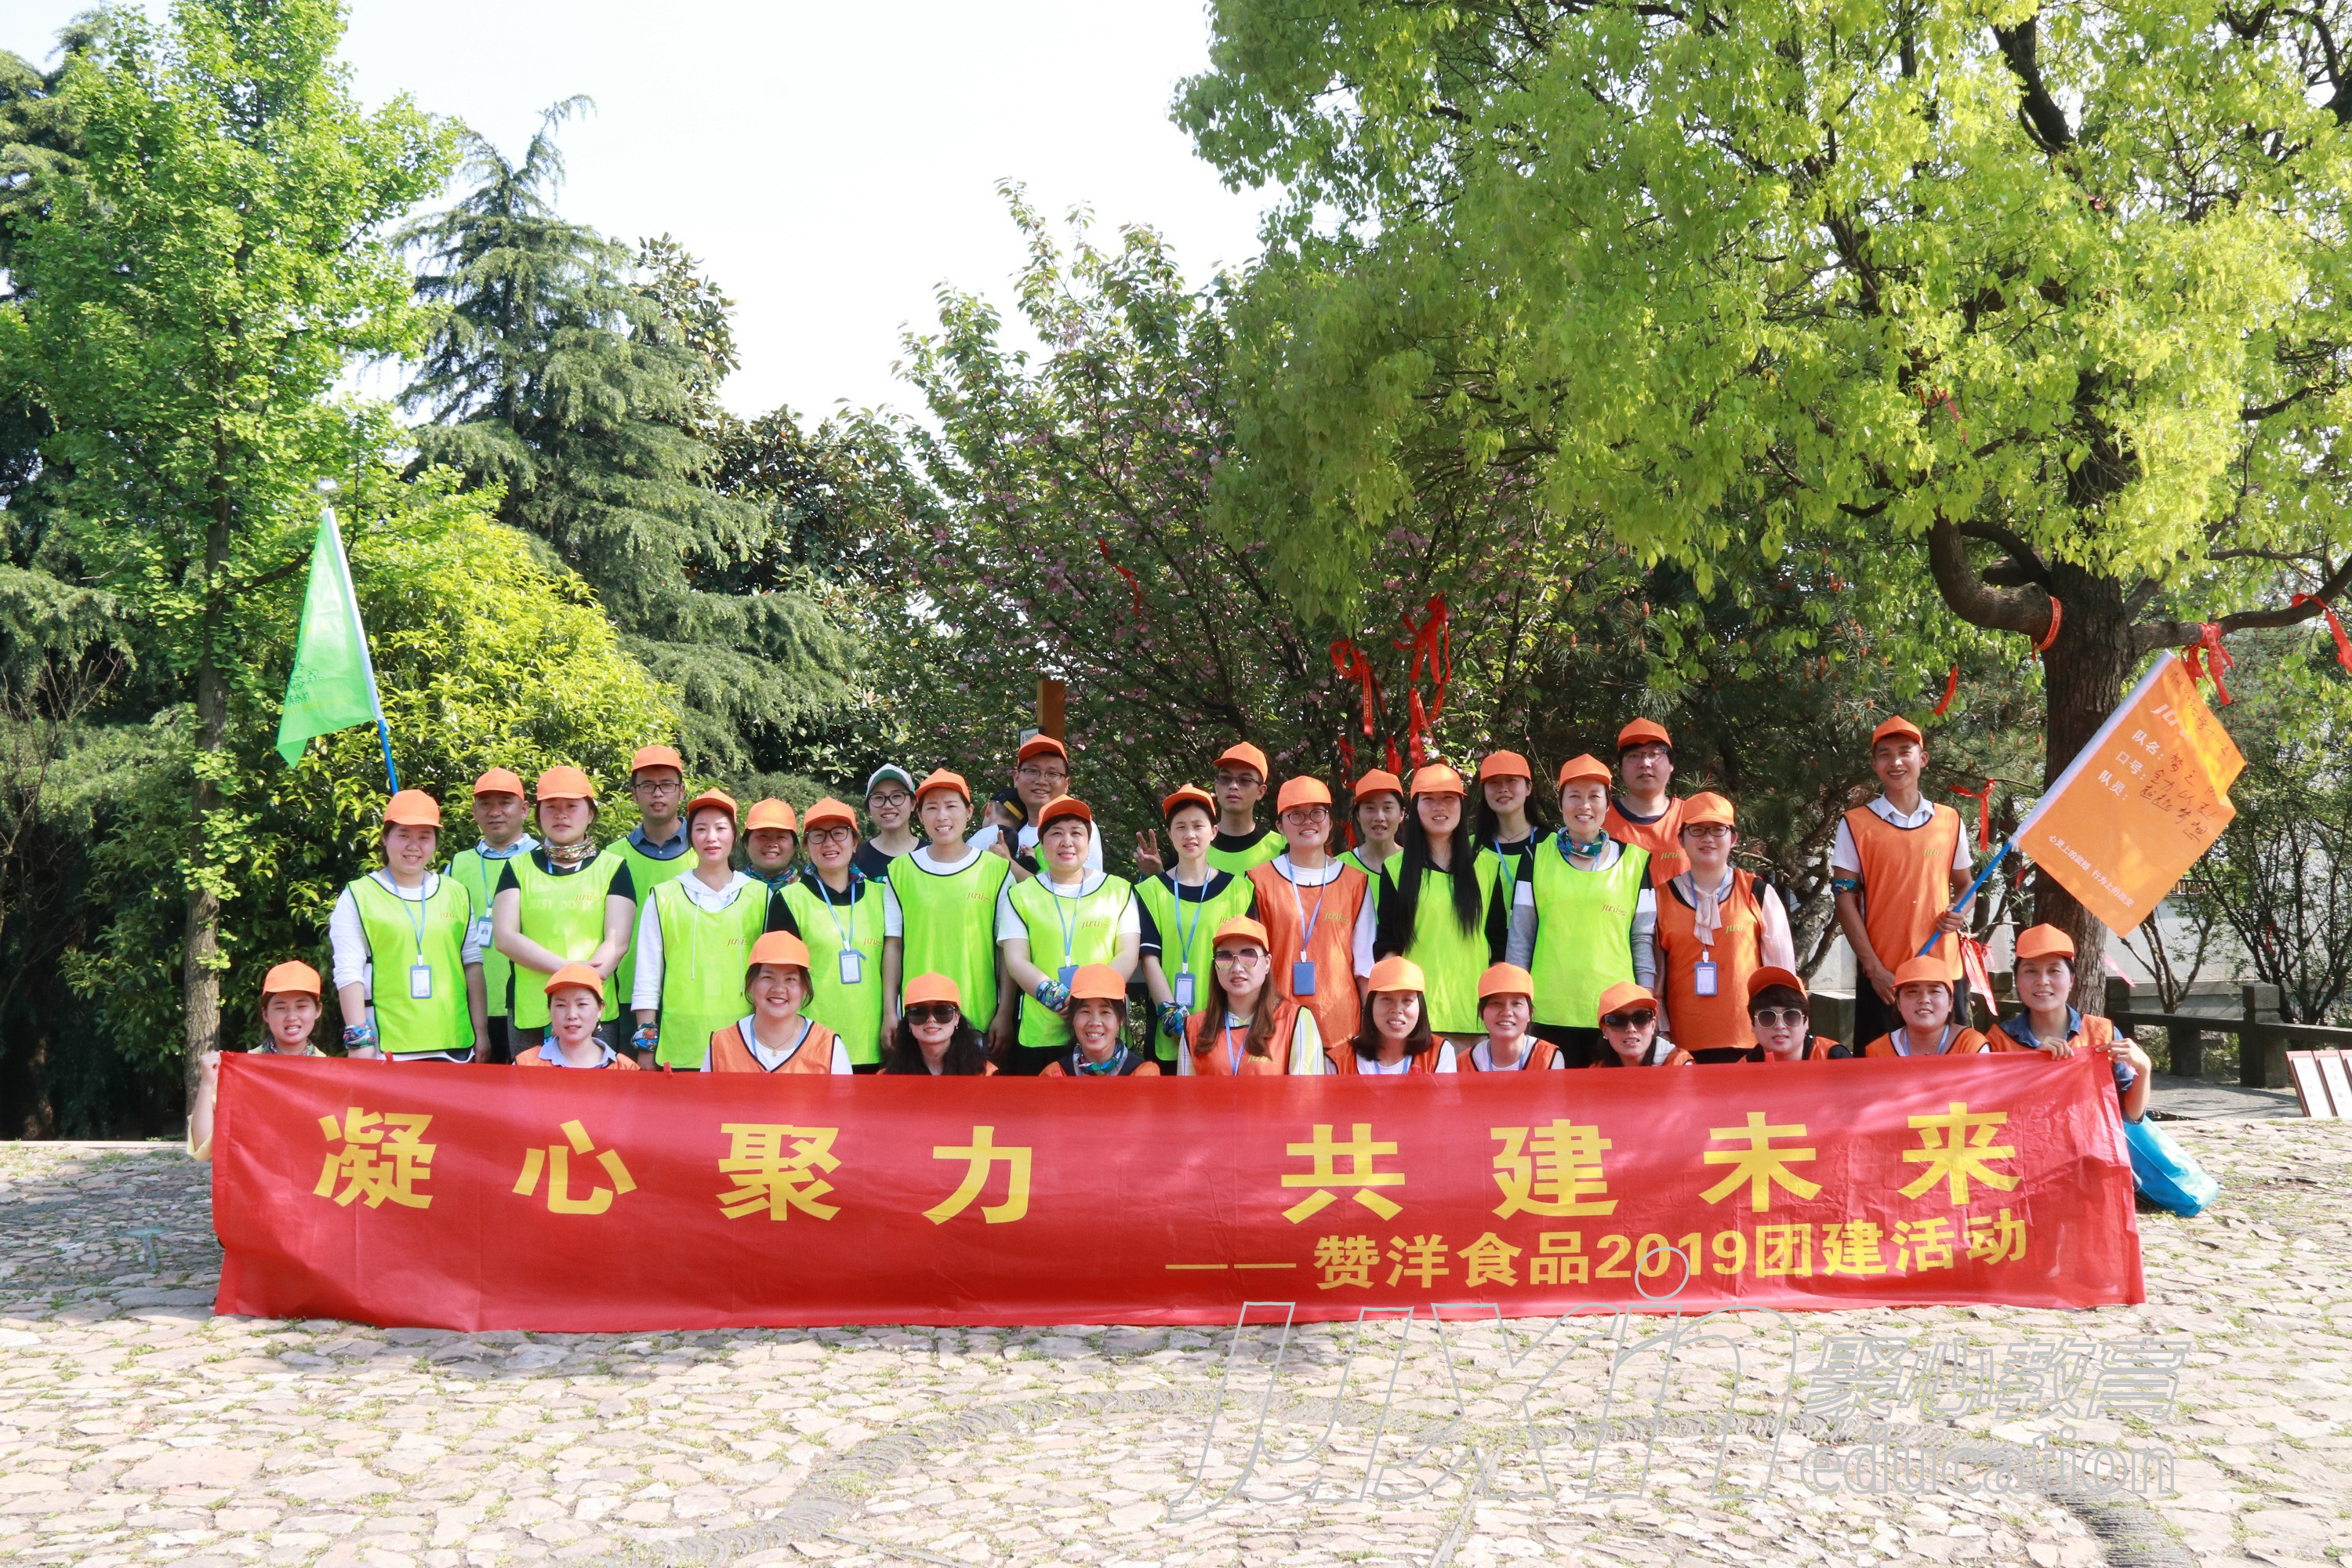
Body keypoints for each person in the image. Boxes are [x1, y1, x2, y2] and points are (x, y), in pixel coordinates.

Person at [1832, 714, 1975, 1057]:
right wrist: (1873, 968)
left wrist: (1960, 911)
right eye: (1885, 755)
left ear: (1922, 759)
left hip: (1942, 971)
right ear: (1875, 765)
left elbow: (1966, 885)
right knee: (1880, 1073)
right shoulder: (1855, 824)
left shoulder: (1950, 820)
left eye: (1904, 752)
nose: (1895, 762)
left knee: (1952, 1071)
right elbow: (1844, 898)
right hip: (1886, 976)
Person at [1511, 753, 1657, 1068]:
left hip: (1618, 1014)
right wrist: (1515, 999)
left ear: (1608, 804)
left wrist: (1645, 1004)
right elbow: (1521, 936)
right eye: (1574, 796)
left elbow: (1642, 939)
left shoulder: (1636, 861)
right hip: (1549, 1011)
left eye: (1594, 796)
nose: (1584, 805)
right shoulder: (1535, 858)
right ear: (1560, 802)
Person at [330, 789, 488, 1063]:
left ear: (435, 842)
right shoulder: (358, 895)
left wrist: (481, 1032)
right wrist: (359, 1040)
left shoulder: (457, 893)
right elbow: (348, 972)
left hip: (454, 1046)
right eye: (403, 835)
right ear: (385, 838)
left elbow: (472, 965)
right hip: (387, 1048)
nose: (413, 846)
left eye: (424, 837)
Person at [492, 766, 636, 1058]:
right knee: (530, 1086)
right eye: (551, 807)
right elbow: (506, 937)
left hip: (592, 1009)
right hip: (531, 1011)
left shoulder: (613, 867)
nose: (561, 815)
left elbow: (617, 942)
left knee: (594, 1086)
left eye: (571, 806)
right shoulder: (517, 868)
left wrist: (578, 984)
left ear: (590, 813)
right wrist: (567, 971)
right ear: (538, 815)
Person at [996, 795, 1140, 1075]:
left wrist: (1087, 1001)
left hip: (1103, 1031)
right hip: (1042, 1034)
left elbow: (1127, 953)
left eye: (1076, 833)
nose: (1067, 841)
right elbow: (1016, 961)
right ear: (1041, 843)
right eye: (1056, 833)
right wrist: (1058, 998)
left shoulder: (1119, 890)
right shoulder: (1021, 895)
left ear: (1088, 841)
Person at [632, 789, 771, 1069]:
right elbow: (647, 976)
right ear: (690, 838)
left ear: (734, 835)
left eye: (720, 828)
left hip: (747, 1043)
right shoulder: (663, 896)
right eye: (701, 829)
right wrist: (647, 1045)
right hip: (680, 1045)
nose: (711, 837)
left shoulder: (761, 896)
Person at [1651, 793, 1795, 1061]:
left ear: (1734, 838)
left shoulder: (1758, 893)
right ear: (1681, 839)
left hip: (1750, 1041)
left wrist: (1782, 1034)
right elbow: (1654, 977)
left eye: (1718, 829)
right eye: (1697, 830)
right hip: (1682, 1046)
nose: (1708, 838)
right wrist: (1662, 1032)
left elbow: (1782, 975)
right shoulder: (1660, 898)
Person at [1372, 764, 1506, 1047]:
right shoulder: (1395, 869)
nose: (1439, 807)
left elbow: (1498, 948)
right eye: (1429, 799)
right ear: (1415, 807)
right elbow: (1387, 946)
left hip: (1473, 1017)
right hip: (1414, 1020)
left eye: (1448, 798)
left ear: (1461, 805)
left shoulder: (1487, 866)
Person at [882, 769, 1014, 1048]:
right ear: (920, 816)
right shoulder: (900, 871)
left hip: (978, 1017)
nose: (942, 816)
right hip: (918, 1017)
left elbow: (1006, 949)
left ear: (969, 812)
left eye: (951, 806)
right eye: (932, 808)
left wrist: (1004, 1013)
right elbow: (893, 945)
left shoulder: (996, 870)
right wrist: (889, 1013)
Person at [1249, 776, 1374, 1056]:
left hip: (1340, 1025)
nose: (1308, 822)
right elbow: (1251, 960)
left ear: (1330, 822)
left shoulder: (1355, 882)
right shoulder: (1259, 881)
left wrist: (1372, 1025)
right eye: (1296, 815)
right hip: (1276, 1021)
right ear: (1280, 826)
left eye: (1317, 813)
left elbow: (1365, 964)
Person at [1136, 785, 1259, 1067]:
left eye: (1198, 826)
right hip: (1170, 1031)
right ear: (1170, 834)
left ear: (1213, 832)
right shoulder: (1151, 891)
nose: (1189, 835)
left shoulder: (1240, 890)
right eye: (1180, 827)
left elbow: (1247, 959)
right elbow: (1149, 957)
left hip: (1227, 1025)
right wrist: (1169, 1011)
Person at [1988, 924, 2153, 1121]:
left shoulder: (2103, 1034)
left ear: (2072, 980)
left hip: (2089, 1141)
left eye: (2054, 970)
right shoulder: (1998, 1042)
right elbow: (1988, 1110)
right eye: (2030, 971)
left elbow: (2130, 1114)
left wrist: (2144, 1069)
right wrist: (2033, 1066)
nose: (2042, 981)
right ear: (2017, 980)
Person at [773, 797, 888, 1073]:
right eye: (818, 835)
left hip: (873, 1042)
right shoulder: (789, 900)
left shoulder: (882, 896)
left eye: (839, 833)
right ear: (806, 846)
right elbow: (778, 979)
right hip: (809, 1044)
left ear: (855, 841)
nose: (829, 843)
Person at [189, 960, 325, 1160]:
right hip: (253, 1180)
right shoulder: (242, 1071)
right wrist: (207, 1083)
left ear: (317, 1011)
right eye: (280, 1007)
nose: (291, 1016)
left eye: (301, 1006)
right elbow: (203, 1148)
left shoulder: (332, 1074)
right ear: (265, 1014)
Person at [447, 767, 536, 1063]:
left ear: (524, 809)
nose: (495, 812)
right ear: (474, 812)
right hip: (473, 1010)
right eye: (485, 804)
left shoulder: (544, 859)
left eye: (505, 803)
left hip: (533, 1007)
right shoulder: (457, 866)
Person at [1181, 917, 1327, 1076]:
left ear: (1267, 963)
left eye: (1248, 956)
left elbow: (1305, 1090)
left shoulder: (1296, 1020)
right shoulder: (1193, 1028)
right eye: (1225, 957)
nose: (1237, 968)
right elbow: (1185, 1091)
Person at [612, 744, 695, 1016]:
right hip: (625, 993)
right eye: (647, 785)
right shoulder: (612, 858)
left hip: (690, 995)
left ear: (681, 791)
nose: (658, 793)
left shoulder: (706, 853)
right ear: (634, 794)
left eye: (667, 785)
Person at [704, 930, 855, 1073]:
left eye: (790, 979)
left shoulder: (829, 1048)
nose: (779, 988)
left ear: (804, 988)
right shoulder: (721, 1045)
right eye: (768, 977)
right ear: (750, 984)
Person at [970, 734, 1102, 873]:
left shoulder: (1078, 830)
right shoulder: (1014, 835)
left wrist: (1009, 864)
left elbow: (1085, 885)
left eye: (1052, 774)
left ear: (1066, 784)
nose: (1041, 781)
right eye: (1032, 771)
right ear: (1016, 778)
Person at [1334, 954, 1454, 1074]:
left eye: (1407, 1000)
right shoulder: (1338, 1061)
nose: (1397, 1009)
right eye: (1387, 999)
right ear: (1371, 1005)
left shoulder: (1440, 1054)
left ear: (1421, 1007)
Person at [1605, 718, 1688, 885]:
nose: (1645, 763)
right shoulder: (1600, 819)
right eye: (1634, 756)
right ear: (1620, 768)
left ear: (1671, 764)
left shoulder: (1692, 817)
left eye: (1654, 754)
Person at [1040, 964, 1161, 1076]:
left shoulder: (1143, 1075)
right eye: (1085, 1011)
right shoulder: (1055, 1075)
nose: (1095, 1022)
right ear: (1072, 1017)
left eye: (1105, 1012)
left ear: (1121, 1018)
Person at [517, 964, 642, 1069]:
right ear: (550, 1009)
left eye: (582, 1004)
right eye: (561, 1005)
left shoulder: (625, 1069)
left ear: (600, 1009)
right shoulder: (526, 1065)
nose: (572, 1015)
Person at [1860, 956, 1991, 1057]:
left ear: (1950, 1003)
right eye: (1913, 992)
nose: (1924, 999)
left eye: (1934, 991)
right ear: (1898, 1003)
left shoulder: (1971, 1046)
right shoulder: (1878, 1051)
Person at [877, 973, 997, 1075]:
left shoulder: (986, 1074)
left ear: (957, 1018)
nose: (931, 1019)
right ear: (908, 1021)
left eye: (942, 1011)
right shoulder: (888, 1078)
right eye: (919, 1012)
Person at [1472, 750, 1549, 908]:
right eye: (1493, 782)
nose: (1503, 788)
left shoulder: (1554, 845)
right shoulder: (1470, 848)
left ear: (1528, 788)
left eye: (1511, 780)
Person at [1461, 963, 1564, 1071]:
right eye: (1496, 1003)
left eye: (1516, 1003)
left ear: (1530, 1013)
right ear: (1480, 1012)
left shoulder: (1548, 1058)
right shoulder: (1464, 1063)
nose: (1507, 1012)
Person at [1203, 742, 1285, 873]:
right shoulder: (1194, 846)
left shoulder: (1282, 849)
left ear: (1261, 792)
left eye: (1245, 780)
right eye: (1225, 778)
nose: (1233, 786)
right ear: (1216, 786)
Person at [1738, 967, 1849, 1062]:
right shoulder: (1742, 1070)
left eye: (1791, 1016)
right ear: (1753, 1024)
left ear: (1806, 1022)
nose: (1779, 1026)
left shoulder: (1834, 1057)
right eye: (1767, 1017)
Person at [1589, 981, 1693, 1067]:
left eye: (1641, 1018)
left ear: (1653, 1025)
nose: (1631, 1028)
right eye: (1618, 1021)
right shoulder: (1597, 1072)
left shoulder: (1680, 1065)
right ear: (1605, 1030)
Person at [850, 766, 921, 880]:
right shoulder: (855, 860)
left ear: (913, 804)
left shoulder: (933, 855)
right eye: (878, 797)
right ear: (869, 807)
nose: (888, 805)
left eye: (897, 796)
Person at [1341, 770, 1406, 888]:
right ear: (1358, 815)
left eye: (1387, 808)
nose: (1379, 817)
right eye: (1370, 808)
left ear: (1401, 814)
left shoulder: (1417, 865)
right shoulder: (1339, 867)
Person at [742, 798, 800, 892]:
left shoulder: (809, 891)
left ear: (794, 847)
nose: (772, 844)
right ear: (746, 844)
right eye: (762, 836)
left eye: (781, 837)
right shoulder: (731, 889)